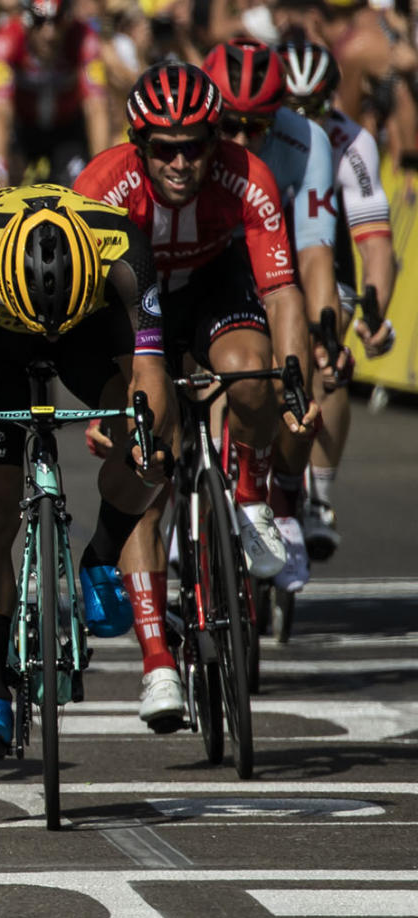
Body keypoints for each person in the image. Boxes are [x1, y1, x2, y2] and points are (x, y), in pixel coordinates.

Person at [73, 64, 318, 730]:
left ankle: (248, 492)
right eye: (164, 148)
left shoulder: (245, 175)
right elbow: (79, 313)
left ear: (216, 141)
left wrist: (292, 379)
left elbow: (282, 291)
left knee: (249, 372)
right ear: (139, 143)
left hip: (212, 287)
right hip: (128, 311)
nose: (181, 162)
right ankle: (156, 659)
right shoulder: (103, 186)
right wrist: (109, 404)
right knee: (152, 453)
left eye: (195, 146)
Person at [0, 184, 170, 758]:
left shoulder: (124, 251)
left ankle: (102, 555)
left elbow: (147, 371)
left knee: (149, 444)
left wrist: (144, 437)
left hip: (88, 328)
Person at [201, 38, 340, 591]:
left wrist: (324, 332)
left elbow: (314, 252)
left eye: (255, 127)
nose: (239, 140)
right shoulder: (187, 137)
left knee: (299, 364)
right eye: (229, 125)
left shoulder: (306, 140)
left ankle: (283, 498)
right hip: (206, 262)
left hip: (272, 261)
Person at [278, 39, 399, 564]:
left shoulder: (353, 143)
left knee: (325, 358)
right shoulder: (257, 136)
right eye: (293, 107)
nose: (305, 120)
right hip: (268, 250)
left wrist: (374, 312)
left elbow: (374, 243)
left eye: (316, 109)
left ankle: (319, 495)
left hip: (327, 257)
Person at [0, 0, 110, 188]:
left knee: (82, 185)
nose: (49, 33)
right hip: (23, 128)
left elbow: (96, 108)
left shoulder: (84, 38)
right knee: (4, 186)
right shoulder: (6, 39)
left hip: (67, 130)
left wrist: (104, 167)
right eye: (39, 20)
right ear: (23, 18)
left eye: (57, 20)